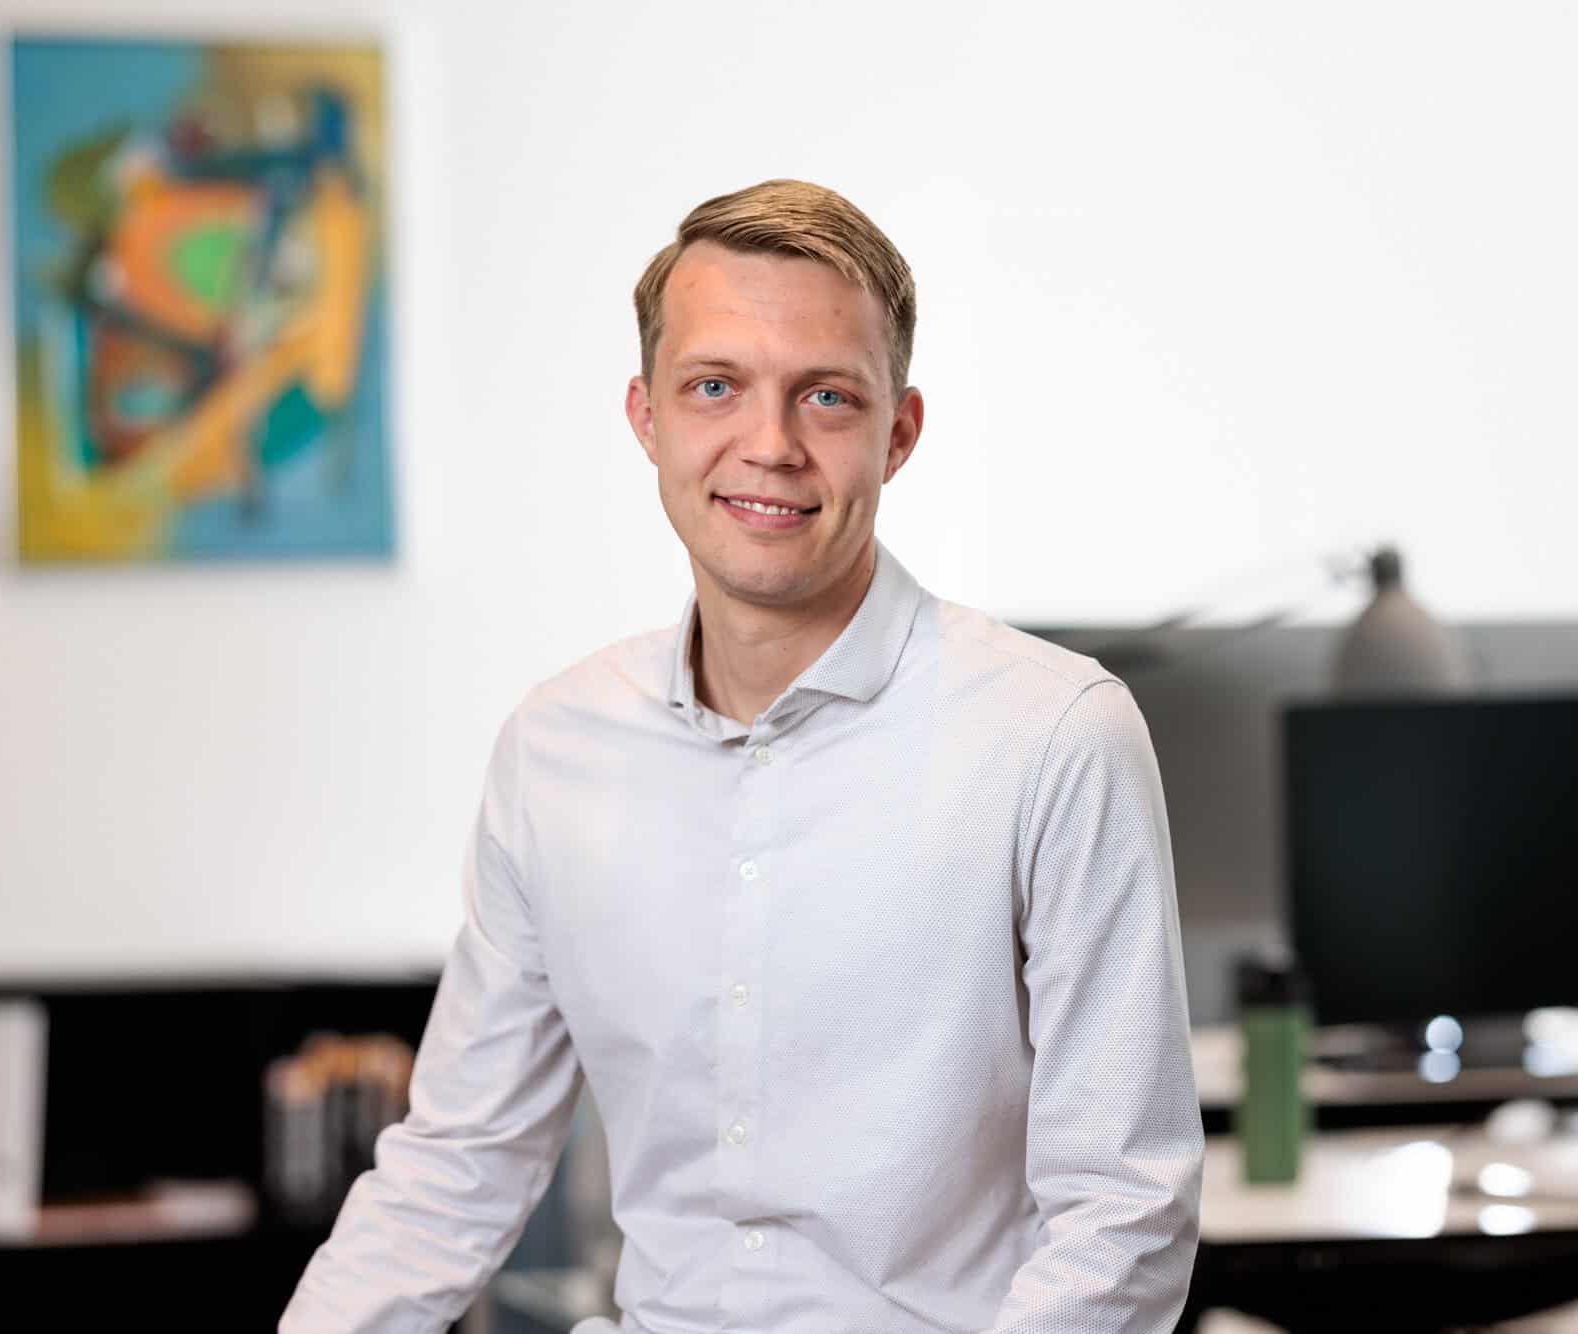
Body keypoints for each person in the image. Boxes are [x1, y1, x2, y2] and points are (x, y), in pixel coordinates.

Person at [281, 179, 1204, 1334]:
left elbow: (1123, 1211)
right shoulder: (553, 748)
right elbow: (454, 1170)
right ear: (646, 417)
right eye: (714, 386)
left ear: (898, 433)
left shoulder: (1052, 735)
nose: (767, 445)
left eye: (825, 395)